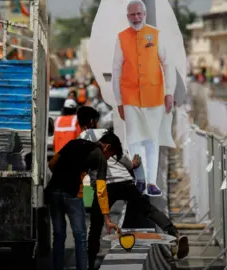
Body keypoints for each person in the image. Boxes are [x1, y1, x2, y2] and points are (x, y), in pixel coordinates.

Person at [76, 106, 189, 269]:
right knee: (147, 209)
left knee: (96, 225)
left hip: (104, 186)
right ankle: (174, 233)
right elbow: (122, 158)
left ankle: (90, 262)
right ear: (93, 121)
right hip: (124, 180)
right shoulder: (106, 135)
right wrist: (133, 164)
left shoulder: (81, 139)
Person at [112, 0, 176, 196]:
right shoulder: (122, 38)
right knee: (134, 140)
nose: (136, 18)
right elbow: (116, 71)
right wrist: (119, 102)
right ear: (128, 16)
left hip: (154, 96)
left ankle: (151, 182)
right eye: (132, 15)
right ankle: (139, 178)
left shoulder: (156, 35)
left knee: (151, 140)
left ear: (145, 14)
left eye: (139, 14)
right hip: (130, 96)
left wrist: (169, 92)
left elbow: (167, 65)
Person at [46, 131, 123, 270]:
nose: (107, 158)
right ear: (107, 147)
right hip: (72, 194)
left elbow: (52, 164)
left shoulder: (73, 142)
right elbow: (101, 189)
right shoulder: (99, 155)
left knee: (58, 236)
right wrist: (106, 218)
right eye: (110, 155)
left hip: (54, 191)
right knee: (80, 236)